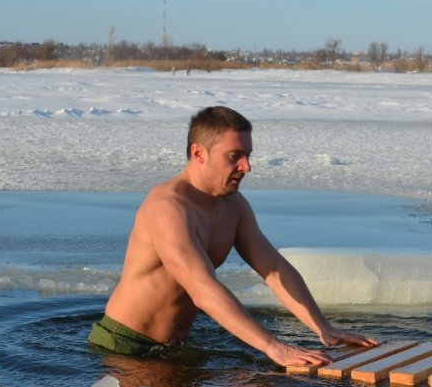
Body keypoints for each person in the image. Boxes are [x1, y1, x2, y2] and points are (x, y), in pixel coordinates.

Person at [89, 106, 378, 367]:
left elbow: (274, 269)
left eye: (248, 156)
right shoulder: (168, 208)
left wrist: (322, 328)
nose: (246, 167)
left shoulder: (233, 205)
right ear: (199, 153)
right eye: (234, 157)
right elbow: (202, 289)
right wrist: (274, 347)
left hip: (174, 348)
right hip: (126, 346)